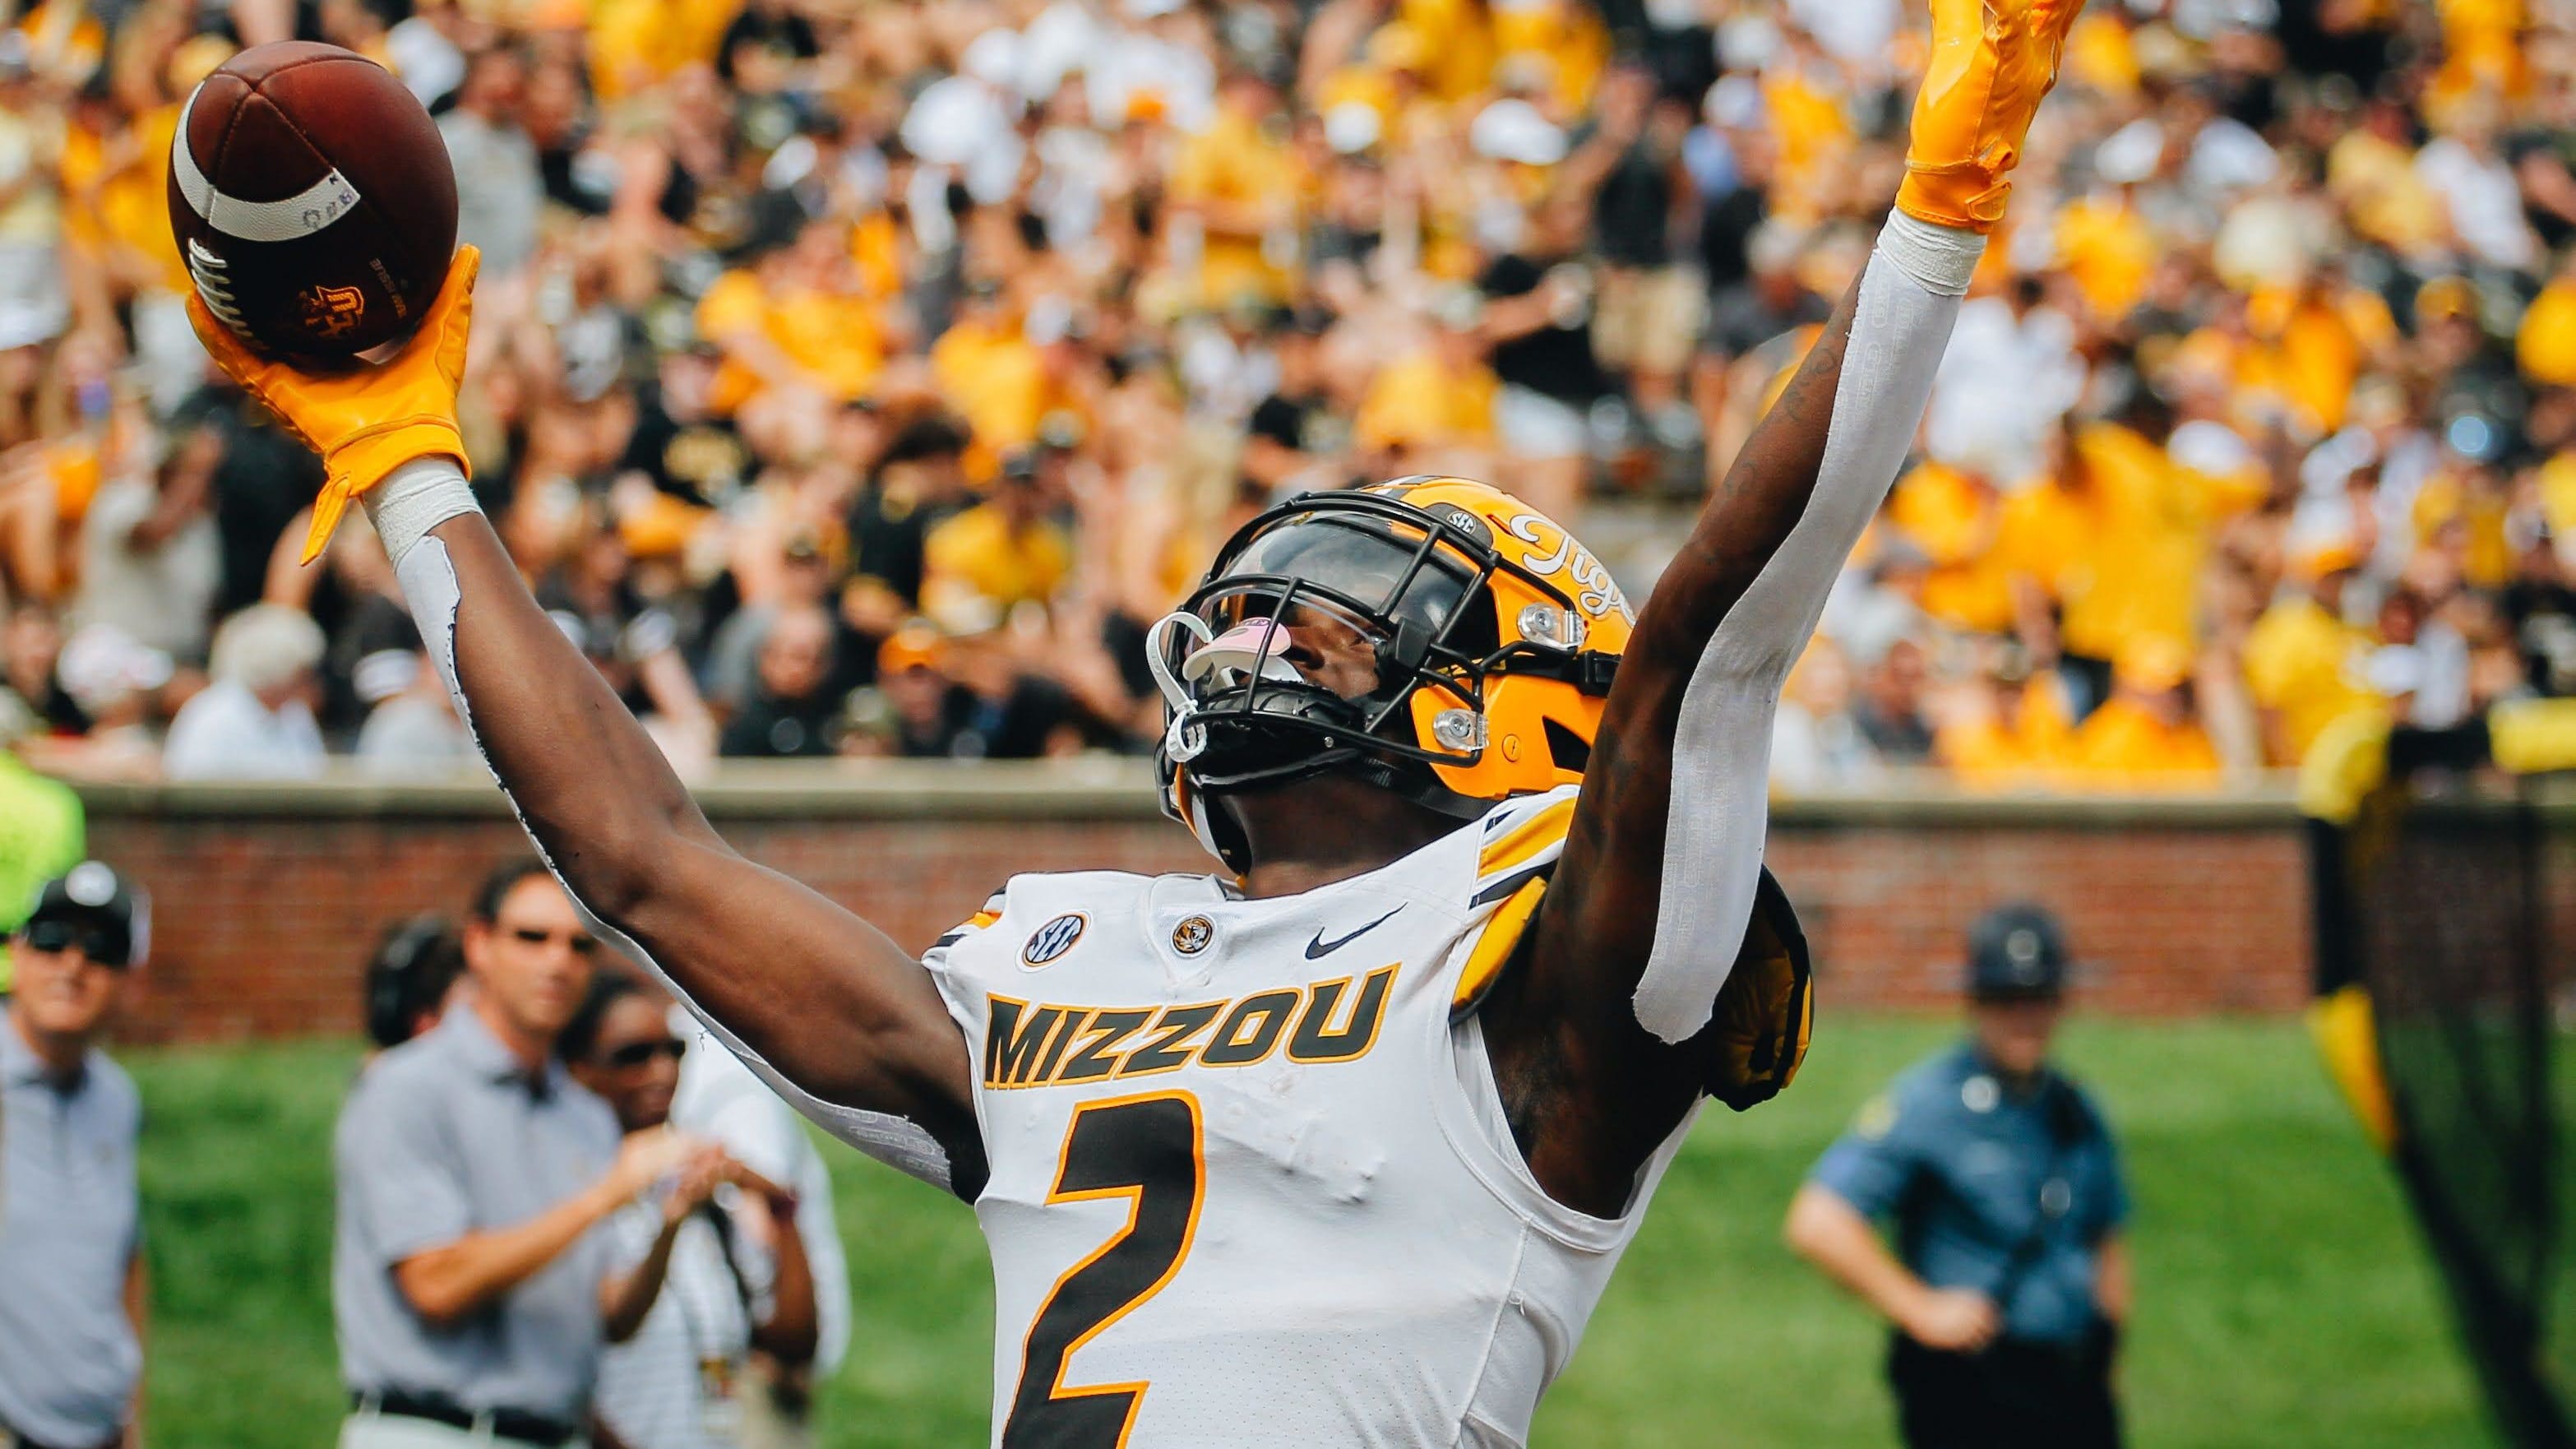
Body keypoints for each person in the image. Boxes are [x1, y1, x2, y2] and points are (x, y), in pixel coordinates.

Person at [187, 0, 2073, 1436]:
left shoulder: (1553, 963)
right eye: (1262, 599)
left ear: (1529, 722)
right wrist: (411, 468)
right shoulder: (1071, 949)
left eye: (1346, 621)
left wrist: (1931, 213)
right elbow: (644, 862)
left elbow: (1703, 655)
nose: (1272, 631)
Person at [332, 859, 703, 1449]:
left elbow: (611, 1318)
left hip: (557, 1430)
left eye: (580, 946)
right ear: (479, 944)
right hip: (436, 1430)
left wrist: (669, 1222)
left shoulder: (582, 1113)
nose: (558, 962)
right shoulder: (405, 1087)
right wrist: (606, 1194)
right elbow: (436, 1285)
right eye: (532, 938)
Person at [1784, 903, 2130, 1449]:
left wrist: (2108, 1352)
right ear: (1975, 1003)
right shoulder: (1930, 1103)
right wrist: (1918, 1309)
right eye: (2004, 1000)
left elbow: (2104, 1238)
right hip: (1976, 1386)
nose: (2024, 1017)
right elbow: (1819, 1221)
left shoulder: (2074, 1108)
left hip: (2073, 1385)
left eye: (2038, 998)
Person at [565, 972, 817, 1449]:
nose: (662, 1072)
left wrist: (781, 1207)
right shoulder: (571, 1196)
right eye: (634, 1055)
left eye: (673, 1051)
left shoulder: (699, 1195)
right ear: (578, 1068)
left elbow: (792, 1342)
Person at [0, 862, 150, 1449]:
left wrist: (132, 1422)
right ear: (17, 951)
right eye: (52, 939)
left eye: (101, 949)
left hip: (99, 1432)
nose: (73, 965)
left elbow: (126, 1260)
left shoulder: (116, 1098)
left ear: (129, 978)